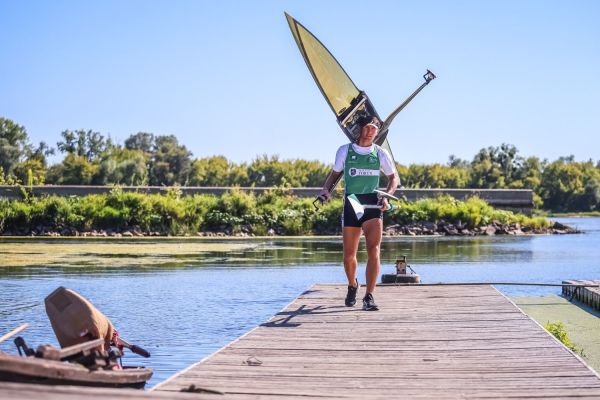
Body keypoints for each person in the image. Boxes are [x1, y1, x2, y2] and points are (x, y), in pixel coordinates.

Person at [318, 115, 399, 311]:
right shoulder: (344, 151)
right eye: (369, 127)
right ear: (360, 128)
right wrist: (325, 190)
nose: (372, 131)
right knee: (349, 256)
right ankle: (353, 284)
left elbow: (393, 179)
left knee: (374, 250)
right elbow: (333, 175)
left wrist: (387, 196)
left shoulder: (380, 154)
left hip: (373, 202)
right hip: (352, 202)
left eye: (375, 128)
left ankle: (369, 296)